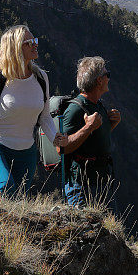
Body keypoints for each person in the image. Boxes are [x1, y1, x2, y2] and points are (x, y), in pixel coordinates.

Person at [0, 25, 66, 196]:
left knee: (16, 202)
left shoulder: (41, 77)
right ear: (15, 47)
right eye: (29, 42)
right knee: (4, 187)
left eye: (35, 41)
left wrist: (55, 139)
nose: (35, 45)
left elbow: (45, 116)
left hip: (26, 153)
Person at [58, 56, 121, 208]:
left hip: (102, 183)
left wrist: (111, 124)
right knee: (83, 231)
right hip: (81, 186)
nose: (108, 78)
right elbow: (61, 148)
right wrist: (88, 127)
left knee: (108, 231)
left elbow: (93, 139)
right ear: (99, 80)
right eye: (107, 75)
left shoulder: (98, 105)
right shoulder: (75, 109)